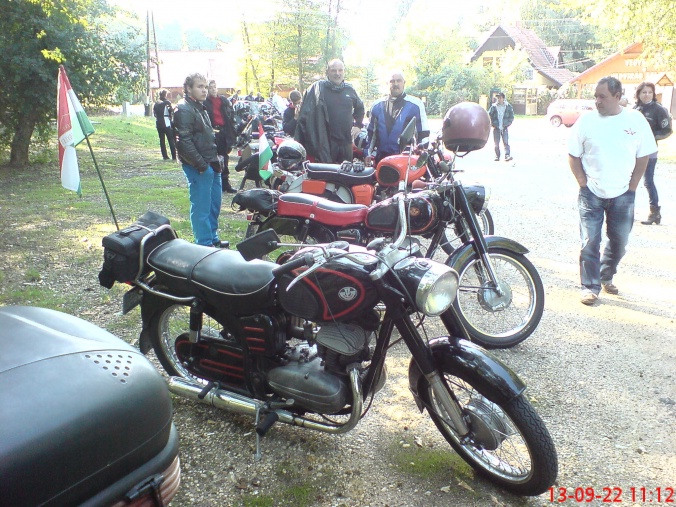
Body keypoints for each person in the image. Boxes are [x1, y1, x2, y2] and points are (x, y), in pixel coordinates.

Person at [568, 76, 657, 305]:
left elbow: (644, 154)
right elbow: (573, 153)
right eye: (595, 97)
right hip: (591, 193)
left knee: (619, 242)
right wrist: (582, 181)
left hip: (623, 194)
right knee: (590, 241)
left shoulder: (635, 120)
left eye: (602, 97)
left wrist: (633, 185)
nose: (597, 101)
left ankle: (605, 275)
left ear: (618, 96)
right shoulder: (586, 121)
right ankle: (590, 287)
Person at [174, 73, 223, 247]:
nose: (204, 90)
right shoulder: (184, 108)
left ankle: (212, 237)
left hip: (211, 162)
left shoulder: (200, 107)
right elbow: (183, 142)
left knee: (214, 203)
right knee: (201, 206)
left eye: (205, 87)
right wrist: (201, 165)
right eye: (199, 87)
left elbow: (206, 136)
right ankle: (204, 243)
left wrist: (215, 160)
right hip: (198, 165)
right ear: (189, 89)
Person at [294, 58, 365, 163]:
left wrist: (358, 125)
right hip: (325, 144)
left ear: (344, 72)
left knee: (346, 171)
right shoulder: (318, 89)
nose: (337, 73)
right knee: (326, 172)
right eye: (333, 70)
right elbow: (304, 116)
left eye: (340, 70)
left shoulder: (350, 90)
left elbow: (360, 108)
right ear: (327, 72)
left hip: (346, 142)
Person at [365, 70, 429, 165]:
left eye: (399, 80)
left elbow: (423, 134)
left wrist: (422, 156)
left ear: (404, 83)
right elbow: (371, 134)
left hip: (405, 161)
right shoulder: (377, 106)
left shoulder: (416, 105)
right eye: (392, 81)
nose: (395, 84)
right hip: (381, 160)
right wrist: (367, 154)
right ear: (387, 84)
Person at [633, 81, 672, 225]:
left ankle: (654, 212)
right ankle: (626, 210)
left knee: (648, 181)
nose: (647, 95)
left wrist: (651, 137)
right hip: (633, 151)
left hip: (649, 152)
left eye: (650, 92)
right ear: (638, 94)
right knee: (630, 181)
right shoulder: (634, 109)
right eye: (644, 92)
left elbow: (667, 130)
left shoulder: (659, 109)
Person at [204, 80, 237, 193]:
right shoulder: (205, 102)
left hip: (223, 132)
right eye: (210, 87)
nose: (213, 89)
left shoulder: (223, 100)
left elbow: (230, 116)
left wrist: (232, 130)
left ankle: (225, 184)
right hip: (212, 132)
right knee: (212, 159)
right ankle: (214, 184)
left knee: (224, 157)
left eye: (214, 87)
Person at [487, 92, 514, 162]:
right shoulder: (494, 107)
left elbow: (511, 116)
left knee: (506, 142)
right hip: (496, 128)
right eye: (498, 98)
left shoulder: (508, 106)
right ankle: (497, 156)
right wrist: (493, 124)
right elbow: (489, 116)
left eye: (500, 98)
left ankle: (507, 155)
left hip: (504, 128)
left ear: (503, 98)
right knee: (496, 143)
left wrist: (507, 124)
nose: (499, 99)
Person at [152, 89, 176, 161]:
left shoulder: (156, 103)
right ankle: (174, 156)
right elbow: (171, 111)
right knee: (171, 139)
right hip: (166, 122)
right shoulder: (167, 102)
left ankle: (164, 156)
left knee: (162, 140)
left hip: (158, 123)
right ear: (165, 95)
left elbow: (154, 114)